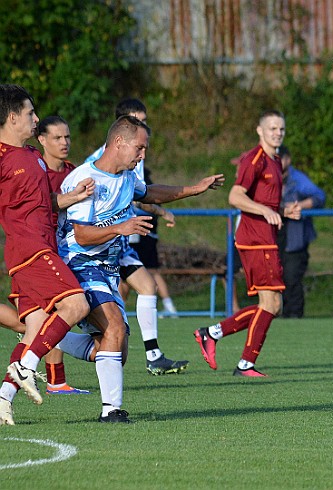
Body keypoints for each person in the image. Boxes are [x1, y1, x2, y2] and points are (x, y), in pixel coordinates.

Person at [59, 114, 225, 423]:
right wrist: (120, 227)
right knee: (114, 328)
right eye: (139, 147)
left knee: (116, 350)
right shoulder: (87, 179)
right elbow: (81, 235)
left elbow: (149, 192)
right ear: (119, 142)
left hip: (108, 267)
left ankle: (51, 337)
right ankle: (111, 411)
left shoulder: (125, 176)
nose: (142, 155)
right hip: (81, 263)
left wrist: (194, 189)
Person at [0, 84, 93, 425]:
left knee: (36, 326)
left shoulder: (32, 157)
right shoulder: (3, 158)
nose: (36, 119)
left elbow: (45, 203)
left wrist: (74, 197)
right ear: (12, 117)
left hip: (42, 246)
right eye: (29, 113)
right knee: (76, 305)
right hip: (30, 250)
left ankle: (3, 399)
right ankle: (26, 367)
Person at [193, 110, 301, 377]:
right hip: (254, 240)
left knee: (272, 305)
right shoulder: (254, 159)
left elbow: (266, 201)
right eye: (273, 128)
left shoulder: (275, 161)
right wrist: (265, 211)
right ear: (260, 130)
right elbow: (235, 196)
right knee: (272, 304)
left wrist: (284, 211)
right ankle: (244, 362)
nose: (277, 133)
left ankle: (214, 335)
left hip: (265, 238)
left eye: (281, 129)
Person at [85, 98, 187, 375]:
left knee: (145, 286)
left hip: (123, 235)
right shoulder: (100, 159)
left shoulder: (136, 155)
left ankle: (152, 353)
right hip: (98, 244)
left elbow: (138, 192)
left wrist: (160, 211)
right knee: (117, 304)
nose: (143, 124)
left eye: (144, 118)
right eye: (136, 118)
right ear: (122, 126)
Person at [35, 115, 91, 394]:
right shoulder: (36, 171)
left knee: (53, 313)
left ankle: (57, 380)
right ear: (42, 140)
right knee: (57, 311)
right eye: (57, 138)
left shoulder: (74, 172)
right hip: (41, 249)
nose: (64, 142)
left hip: (71, 250)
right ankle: (56, 381)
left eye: (67, 137)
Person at [118, 166, 180, 318]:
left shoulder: (138, 184)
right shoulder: (117, 178)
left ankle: (168, 306)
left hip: (142, 237)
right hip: (129, 237)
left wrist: (163, 212)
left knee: (147, 276)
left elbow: (144, 201)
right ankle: (119, 311)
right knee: (127, 276)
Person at [275, 146, 326, 318]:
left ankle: (294, 318)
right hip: (274, 236)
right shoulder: (267, 176)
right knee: (277, 280)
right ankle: (282, 316)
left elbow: (319, 196)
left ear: (288, 159)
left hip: (294, 238)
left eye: (281, 158)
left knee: (291, 278)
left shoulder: (297, 179)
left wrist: (298, 206)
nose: (278, 161)